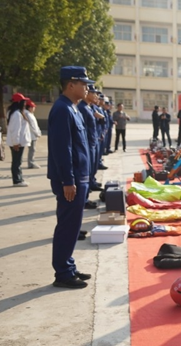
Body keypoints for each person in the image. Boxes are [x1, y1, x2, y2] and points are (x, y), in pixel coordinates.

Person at [48, 66, 94, 289]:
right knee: (67, 225)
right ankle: (63, 274)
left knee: (73, 225)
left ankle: (69, 265)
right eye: (83, 83)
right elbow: (62, 149)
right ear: (70, 85)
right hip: (71, 179)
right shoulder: (62, 109)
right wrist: (68, 180)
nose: (87, 87)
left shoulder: (72, 108)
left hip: (79, 176)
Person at [6, 93, 32, 187]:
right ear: (19, 102)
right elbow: (15, 130)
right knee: (17, 162)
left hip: (18, 142)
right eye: (23, 101)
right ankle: (17, 180)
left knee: (17, 161)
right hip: (17, 142)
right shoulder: (17, 114)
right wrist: (16, 143)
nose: (25, 103)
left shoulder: (16, 113)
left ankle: (19, 178)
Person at [24, 99, 42, 169]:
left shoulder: (30, 114)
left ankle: (31, 162)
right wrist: (37, 133)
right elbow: (32, 126)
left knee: (32, 149)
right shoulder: (28, 114)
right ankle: (31, 162)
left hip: (32, 135)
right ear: (29, 107)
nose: (34, 108)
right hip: (31, 135)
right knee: (32, 149)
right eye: (33, 107)